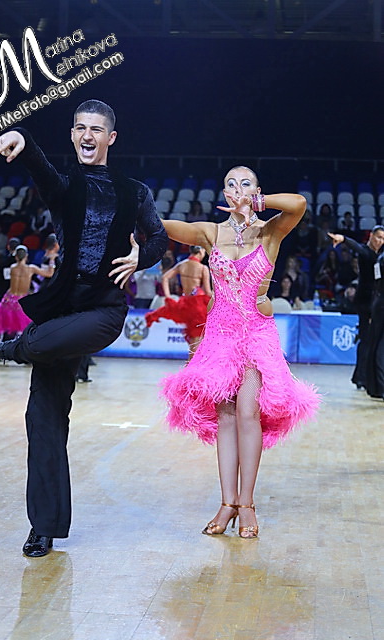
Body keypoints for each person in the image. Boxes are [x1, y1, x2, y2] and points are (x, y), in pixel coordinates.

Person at [0, 99, 168, 557]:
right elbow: (41, 170)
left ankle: (14, 348)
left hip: (103, 310)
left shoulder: (134, 191)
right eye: (80, 128)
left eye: (96, 129)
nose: (87, 135)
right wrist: (23, 142)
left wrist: (141, 256)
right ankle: (44, 526)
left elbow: (158, 236)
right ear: (72, 134)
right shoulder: (64, 187)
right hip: (60, 307)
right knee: (43, 419)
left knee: (40, 345)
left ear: (110, 138)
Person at [158, 166, 320, 539]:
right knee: (226, 416)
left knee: (249, 412)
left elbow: (299, 204)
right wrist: (131, 214)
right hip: (220, 335)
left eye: (245, 183)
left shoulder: (270, 231)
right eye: (231, 183)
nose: (237, 188)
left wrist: (258, 203)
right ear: (223, 193)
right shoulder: (211, 233)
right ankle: (227, 502)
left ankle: (246, 504)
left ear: (257, 190)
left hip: (256, 334)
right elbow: (164, 226)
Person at [328, 226, 384, 389]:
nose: (380, 241)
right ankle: (362, 378)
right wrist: (344, 239)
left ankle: (362, 376)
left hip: (375, 301)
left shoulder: (380, 255)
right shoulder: (366, 252)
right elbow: (357, 247)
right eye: (378, 237)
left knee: (369, 339)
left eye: (383, 239)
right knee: (366, 339)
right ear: (371, 236)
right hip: (366, 302)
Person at [146, 245, 212, 358]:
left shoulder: (182, 264)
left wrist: (168, 297)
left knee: (193, 336)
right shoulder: (202, 268)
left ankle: (191, 362)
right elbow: (208, 292)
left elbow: (165, 278)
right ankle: (193, 363)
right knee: (198, 337)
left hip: (186, 303)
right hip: (199, 305)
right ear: (201, 252)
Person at [0, 245, 54, 339]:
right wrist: (52, 260)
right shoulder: (31, 269)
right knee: (27, 328)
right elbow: (49, 274)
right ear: (26, 256)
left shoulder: (12, 267)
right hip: (21, 302)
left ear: (16, 257)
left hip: (8, 299)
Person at [366, 250, 384, 400]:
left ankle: (377, 387)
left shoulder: (380, 258)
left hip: (379, 304)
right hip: (381, 305)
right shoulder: (381, 258)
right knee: (380, 347)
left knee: (377, 345)